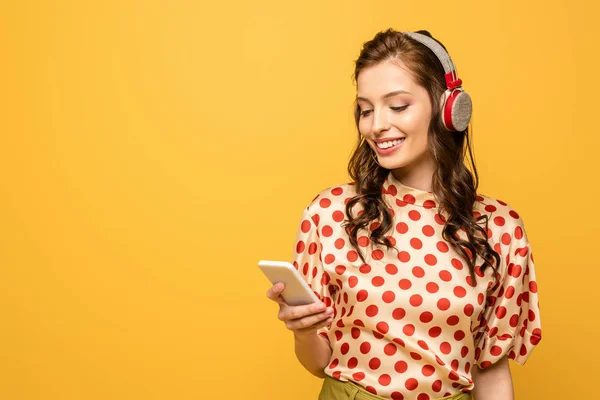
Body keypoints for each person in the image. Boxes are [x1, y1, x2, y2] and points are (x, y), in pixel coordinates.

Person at [266, 28, 542, 400]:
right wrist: (302, 331)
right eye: (365, 109)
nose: (376, 125)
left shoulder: (499, 228)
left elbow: (490, 371)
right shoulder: (329, 214)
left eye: (397, 106)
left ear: (448, 109)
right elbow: (320, 362)